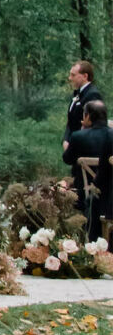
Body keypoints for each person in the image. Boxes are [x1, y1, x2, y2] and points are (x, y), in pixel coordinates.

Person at [62, 99, 113, 239]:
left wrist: (83, 131)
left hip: (86, 193)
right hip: (109, 191)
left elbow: (67, 159)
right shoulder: (111, 135)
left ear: (88, 116)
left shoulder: (78, 137)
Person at [64, 61, 102, 203]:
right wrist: (66, 139)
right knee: (77, 186)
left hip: (86, 149)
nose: (70, 78)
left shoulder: (93, 95)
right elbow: (71, 121)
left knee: (85, 190)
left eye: (73, 75)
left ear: (85, 76)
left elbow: (94, 124)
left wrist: (77, 140)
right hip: (75, 144)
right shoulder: (77, 96)